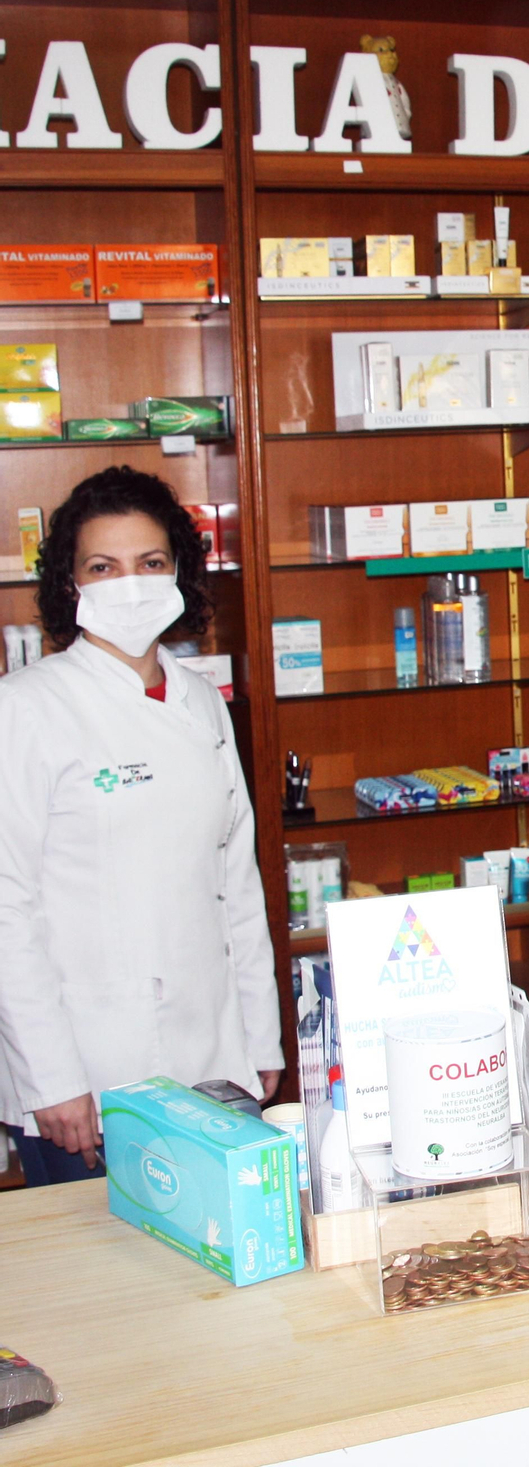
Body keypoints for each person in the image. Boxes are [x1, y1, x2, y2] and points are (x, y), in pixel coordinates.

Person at [0, 467, 282, 1184]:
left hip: (216, 1057)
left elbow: (235, 881)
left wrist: (261, 1037)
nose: (130, 583)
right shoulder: (26, 707)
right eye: (104, 566)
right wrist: (51, 1079)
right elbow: (7, 908)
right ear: (71, 585)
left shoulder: (199, 699)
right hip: (91, 1074)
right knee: (105, 1290)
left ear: (179, 574)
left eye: (150, 563)